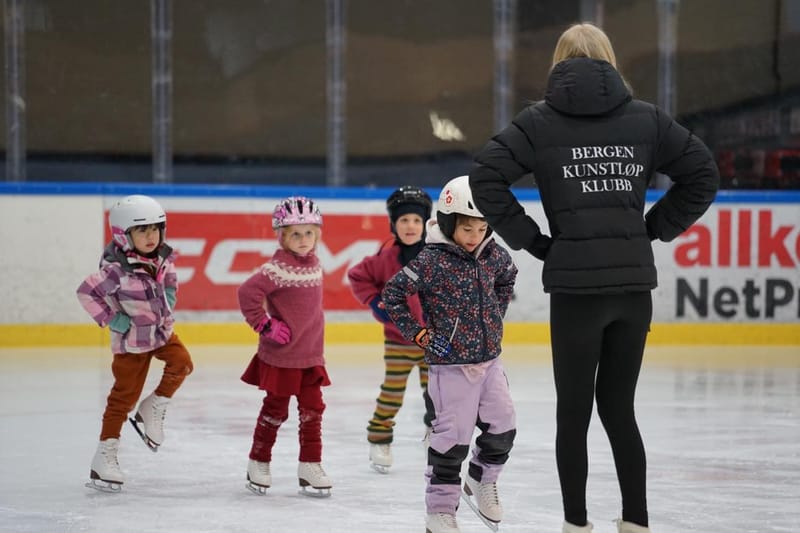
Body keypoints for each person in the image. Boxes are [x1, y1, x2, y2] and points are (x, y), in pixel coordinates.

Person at [468, 22, 720, 533]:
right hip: (632, 292)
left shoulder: (538, 123)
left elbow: (484, 176)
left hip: (576, 291)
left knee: (574, 414)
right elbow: (704, 173)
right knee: (619, 410)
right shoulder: (647, 119)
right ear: (609, 60)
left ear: (559, 64)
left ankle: (576, 525)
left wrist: (535, 241)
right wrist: (651, 229)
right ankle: (636, 522)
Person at [382, 175, 519, 533]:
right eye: (467, 228)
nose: (475, 236)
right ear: (447, 222)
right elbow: (393, 295)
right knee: (450, 440)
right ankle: (440, 510)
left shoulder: (493, 254)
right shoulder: (431, 260)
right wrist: (420, 333)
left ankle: (481, 478)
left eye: (482, 228)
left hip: (489, 361)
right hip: (451, 367)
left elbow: (508, 277)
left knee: (504, 425)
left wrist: (494, 315)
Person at [77, 194, 194, 492]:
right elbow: (86, 293)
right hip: (131, 342)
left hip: (161, 332)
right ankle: (105, 455)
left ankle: (153, 406)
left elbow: (170, 280)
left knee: (182, 363)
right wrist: (114, 320)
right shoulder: (115, 271)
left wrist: (168, 301)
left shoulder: (163, 257)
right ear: (123, 235)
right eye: (142, 230)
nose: (151, 236)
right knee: (123, 398)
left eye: (155, 229)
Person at [237, 196, 333, 497]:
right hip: (283, 357)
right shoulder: (277, 268)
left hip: (310, 355)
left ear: (317, 234)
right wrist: (265, 325)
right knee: (276, 409)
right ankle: (259, 460)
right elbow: (247, 293)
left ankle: (310, 464)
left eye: (308, 233)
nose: (303, 240)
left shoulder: (315, 263)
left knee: (313, 410)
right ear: (282, 236)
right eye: (295, 234)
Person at [346, 186, 435, 474]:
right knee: (392, 392)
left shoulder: (437, 256)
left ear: (426, 224)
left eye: (416, 221)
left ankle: (437, 436)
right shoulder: (383, 260)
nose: (410, 226)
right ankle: (379, 438)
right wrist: (374, 302)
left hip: (433, 342)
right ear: (393, 225)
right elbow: (358, 276)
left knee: (438, 392)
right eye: (404, 220)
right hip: (398, 341)